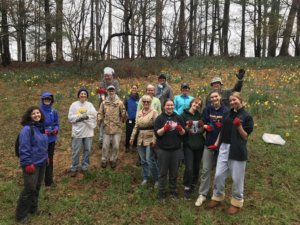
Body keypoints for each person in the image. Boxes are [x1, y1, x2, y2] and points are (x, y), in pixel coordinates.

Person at [207, 92, 254, 215]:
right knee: (218, 174)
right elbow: (222, 131)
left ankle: (236, 202)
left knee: (237, 178)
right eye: (231, 101)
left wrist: (239, 126)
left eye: (235, 100)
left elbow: (245, 136)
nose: (232, 102)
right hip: (224, 147)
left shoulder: (247, 116)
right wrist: (216, 144)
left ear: (240, 100)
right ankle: (217, 196)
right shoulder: (227, 113)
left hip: (237, 149)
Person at [195, 90, 228, 207]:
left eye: (216, 97)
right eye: (212, 97)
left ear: (220, 97)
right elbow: (203, 121)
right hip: (209, 143)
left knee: (220, 173)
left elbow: (229, 127)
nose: (214, 99)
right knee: (205, 169)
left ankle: (217, 195)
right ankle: (202, 194)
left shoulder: (226, 110)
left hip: (222, 146)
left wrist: (223, 127)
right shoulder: (208, 109)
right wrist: (205, 126)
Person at [15, 106, 48, 224]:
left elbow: (43, 145)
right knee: (29, 188)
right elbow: (24, 147)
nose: (36, 115)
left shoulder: (41, 127)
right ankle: (20, 215)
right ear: (29, 115)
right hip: (31, 164)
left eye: (38, 113)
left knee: (37, 187)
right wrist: (27, 163)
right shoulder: (27, 129)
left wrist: (46, 157)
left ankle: (33, 209)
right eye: (33, 113)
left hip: (42, 162)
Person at [154, 99, 185, 200]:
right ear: (164, 107)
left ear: (173, 106)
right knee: (162, 172)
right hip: (163, 149)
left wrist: (181, 129)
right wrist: (164, 129)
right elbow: (157, 133)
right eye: (168, 105)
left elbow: (183, 133)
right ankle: (161, 192)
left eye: (171, 105)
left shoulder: (178, 117)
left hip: (176, 149)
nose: (170, 107)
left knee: (174, 173)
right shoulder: (159, 118)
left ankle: (173, 191)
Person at [130, 95, 159, 187]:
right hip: (140, 138)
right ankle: (146, 177)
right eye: (144, 101)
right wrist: (132, 137)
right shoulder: (139, 112)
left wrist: (154, 139)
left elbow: (156, 127)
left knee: (149, 159)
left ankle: (157, 179)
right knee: (143, 160)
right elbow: (136, 125)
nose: (146, 103)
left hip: (150, 138)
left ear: (150, 103)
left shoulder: (154, 112)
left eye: (148, 102)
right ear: (142, 102)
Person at [68, 87, 97, 177]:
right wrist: (80, 117)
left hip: (88, 131)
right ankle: (74, 167)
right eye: (81, 94)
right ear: (78, 95)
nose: (83, 95)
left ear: (87, 96)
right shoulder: (74, 105)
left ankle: (84, 166)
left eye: (85, 94)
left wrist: (86, 117)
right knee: (76, 151)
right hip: (78, 132)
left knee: (87, 150)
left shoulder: (90, 105)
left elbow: (94, 115)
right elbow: (70, 117)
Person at [181, 98, 205, 199]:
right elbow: (181, 132)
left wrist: (202, 126)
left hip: (199, 143)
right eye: (195, 103)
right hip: (188, 144)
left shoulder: (199, 115)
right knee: (189, 167)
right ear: (191, 103)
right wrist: (187, 127)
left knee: (196, 166)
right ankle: (186, 186)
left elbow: (201, 130)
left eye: (199, 104)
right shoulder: (183, 115)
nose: (197, 105)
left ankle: (193, 184)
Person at [98, 85, 126, 169]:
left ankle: (113, 159)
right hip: (106, 127)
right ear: (107, 92)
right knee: (105, 146)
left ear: (115, 92)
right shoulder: (103, 103)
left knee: (116, 146)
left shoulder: (120, 103)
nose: (111, 92)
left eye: (112, 91)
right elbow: (100, 113)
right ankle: (104, 160)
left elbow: (123, 114)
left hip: (117, 128)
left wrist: (124, 116)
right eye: (109, 91)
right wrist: (100, 121)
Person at [39, 92, 59, 188]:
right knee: (41, 159)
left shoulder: (53, 111)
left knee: (50, 159)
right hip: (41, 139)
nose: (47, 101)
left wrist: (56, 129)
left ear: (51, 101)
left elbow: (56, 123)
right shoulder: (39, 111)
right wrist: (44, 131)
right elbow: (36, 124)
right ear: (42, 100)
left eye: (49, 99)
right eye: (45, 99)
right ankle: (38, 179)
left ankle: (49, 181)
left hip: (51, 139)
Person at [97, 67, 120, 148]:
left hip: (113, 106)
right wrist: (101, 93)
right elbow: (100, 92)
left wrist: (106, 92)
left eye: (108, 75)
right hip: (103, 105)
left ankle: (110, 140)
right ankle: (101, 140)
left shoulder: (115, 82)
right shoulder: (101, 82)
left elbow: (116, 92)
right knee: (103, 122)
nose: (106, 77)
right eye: (105, 75)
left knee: (111, 122)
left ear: (111, 75)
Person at [124, 84, 140, 153]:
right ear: (131, 89)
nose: (134, 89)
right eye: (133, 88)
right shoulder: (127, 98)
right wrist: (125, 114)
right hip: (129, 118)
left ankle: (134, 146)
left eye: (135, 88)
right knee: (128, 132)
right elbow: (124, 107)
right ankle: (127, 146)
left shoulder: (140, 98)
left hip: (137, 119)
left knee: (136, 133)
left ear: (137, 89)